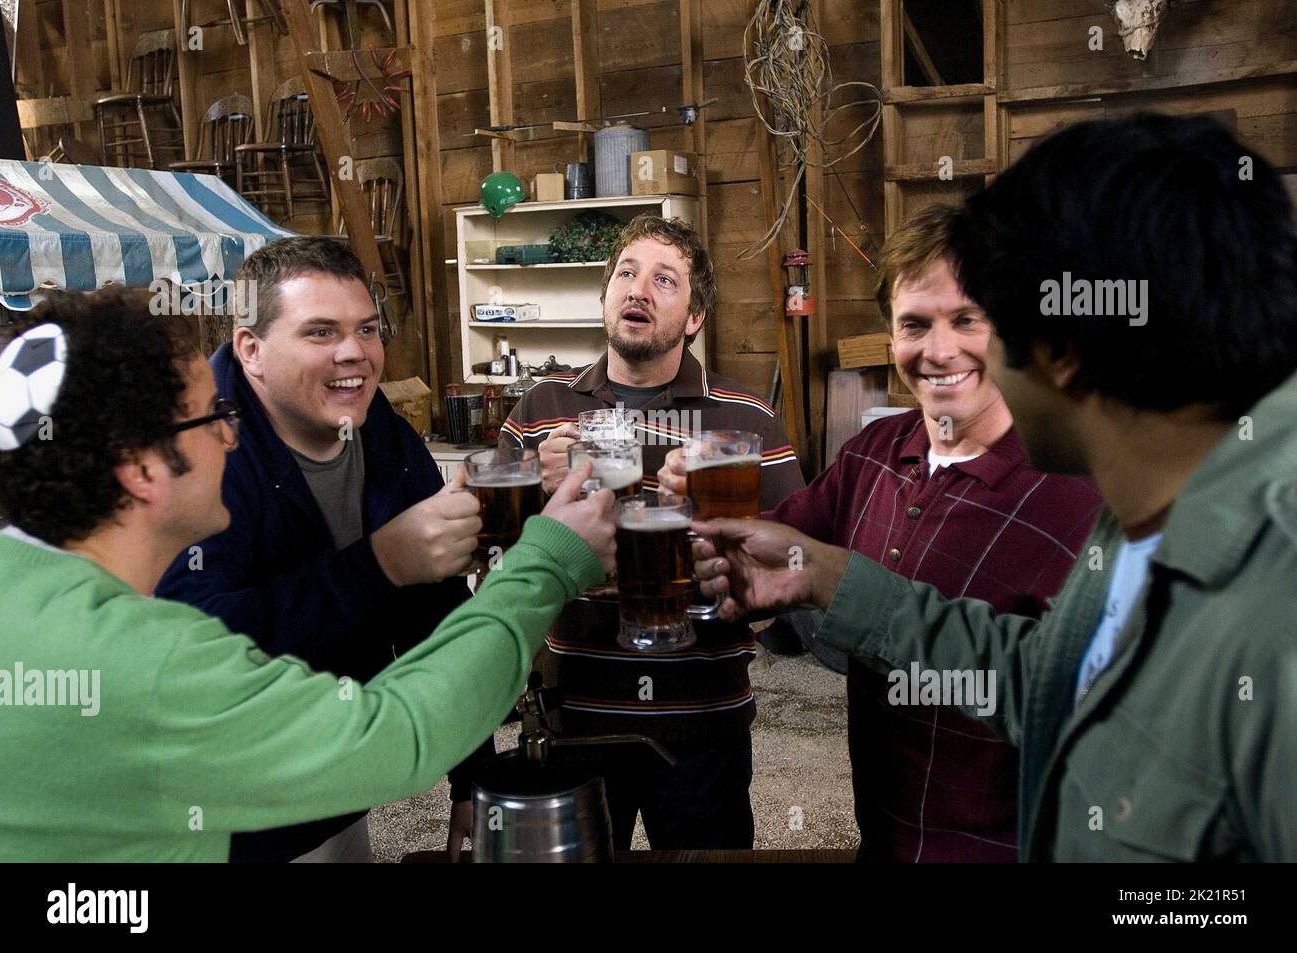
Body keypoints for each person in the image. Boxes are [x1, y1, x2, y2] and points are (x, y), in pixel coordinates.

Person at [691, 113, 1297, 861]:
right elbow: (1046, 678)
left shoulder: (1274, 602)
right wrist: (823, 573)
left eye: (989, 319)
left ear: (1063, 348)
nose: (951, 355)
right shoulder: (1146, 517)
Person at [0, 287, 616, 862]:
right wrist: (549, 559)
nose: (230, 438)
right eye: (210, 415)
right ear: (139, 468)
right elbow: (402, 733)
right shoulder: (151, 663)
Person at [661, 204, 1101, 861]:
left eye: (967, 320)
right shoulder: (874, 450)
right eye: (914, 324)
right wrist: (702, 525)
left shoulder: (1083, 493)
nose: (939, 350)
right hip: (884, 837)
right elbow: (776, 539)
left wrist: (836, 582)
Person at [155, 237, 490, 862]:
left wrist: (474, 781)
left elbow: (438, 611)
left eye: (366, 328)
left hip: (333, 784)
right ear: (251, 350)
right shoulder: (196, 448)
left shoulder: (375, 426)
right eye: (319, 332)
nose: (355, 353)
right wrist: (382, 563)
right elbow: (193, 651)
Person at [500, 214, 804, 849]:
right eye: (626, 274)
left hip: (701, 716)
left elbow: (793, 569)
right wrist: (534, 482)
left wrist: (707, 515)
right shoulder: (538, 410)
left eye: (665, 281)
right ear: (606, 295)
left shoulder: (747, 418)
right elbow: (491, 562)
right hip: (574, 709)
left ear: (694, 318)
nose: (637, 290)